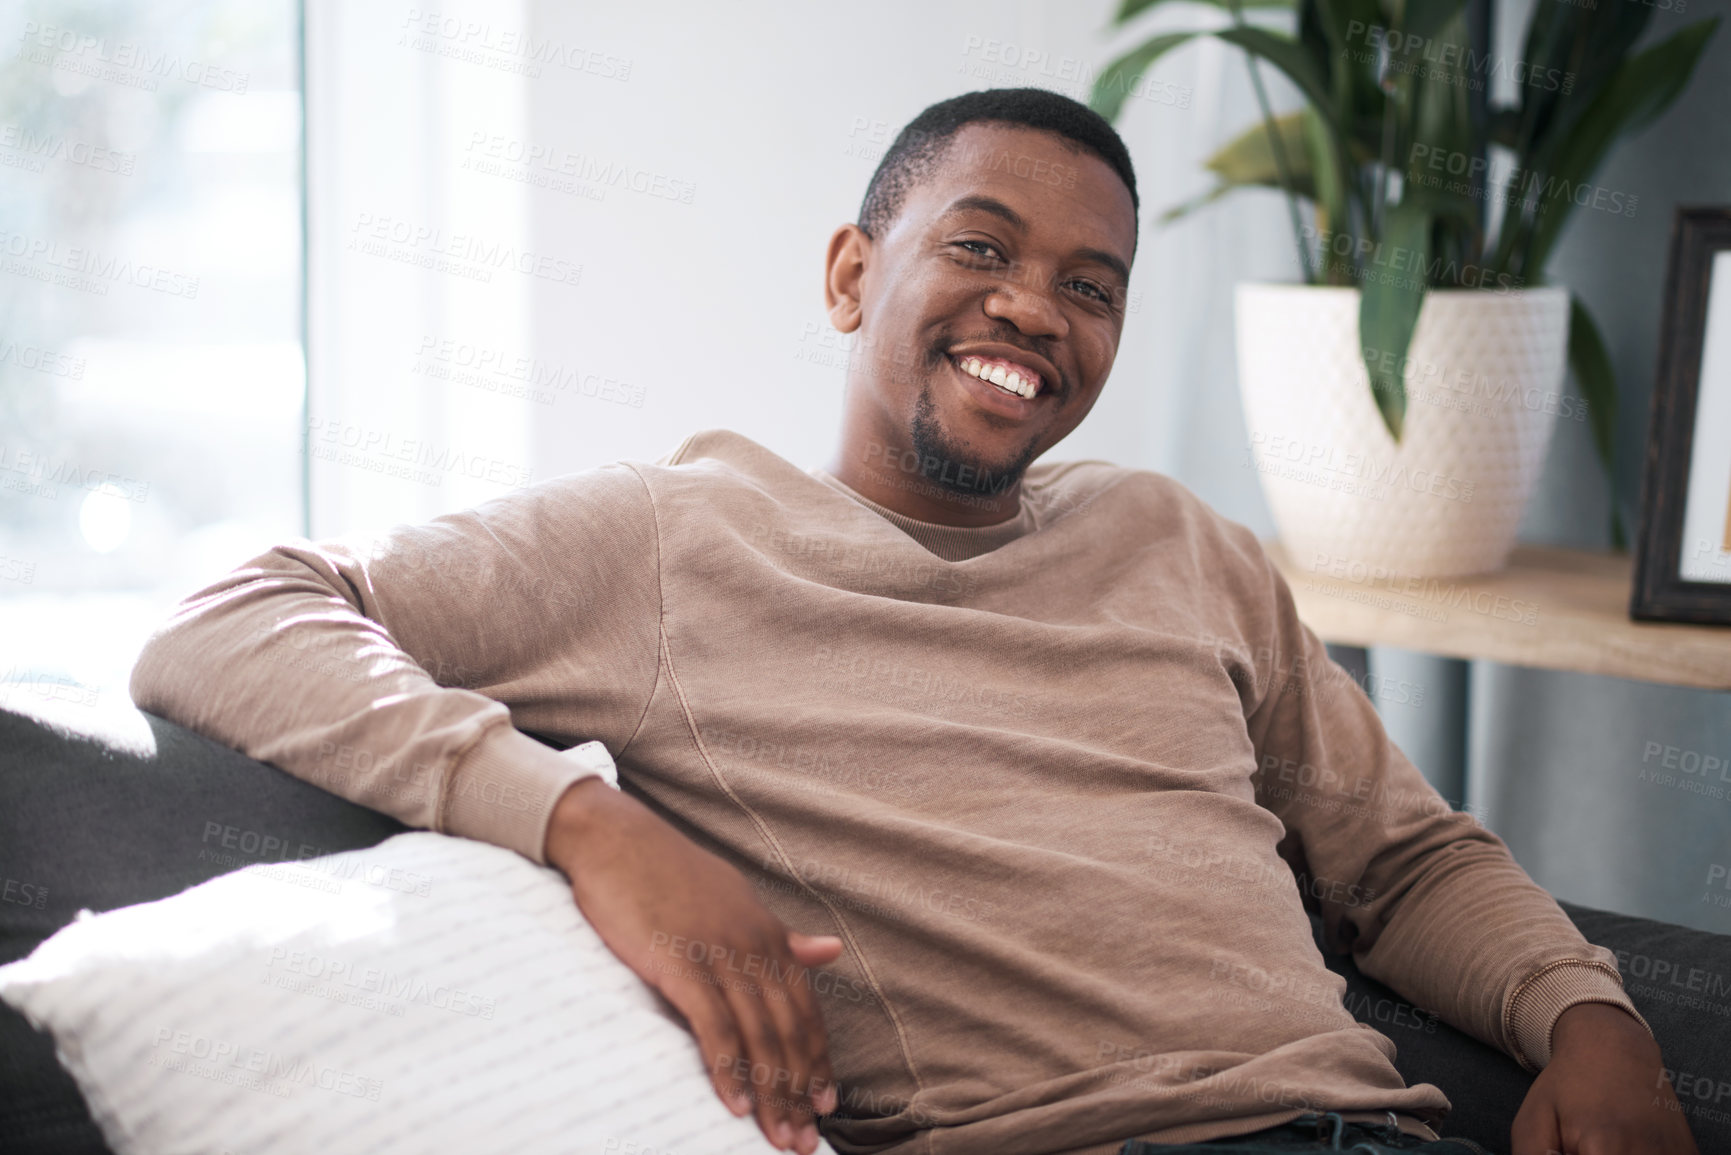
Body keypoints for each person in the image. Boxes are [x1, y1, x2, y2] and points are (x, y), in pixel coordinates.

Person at [129, 88, 1695, 1155]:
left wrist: (1591, 1023)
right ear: (849, 274)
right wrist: (587, 828)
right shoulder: (676, 536)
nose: (1035, 307)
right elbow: (231, 617)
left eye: (1092, 285)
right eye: (982, 247)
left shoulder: (1179, 542)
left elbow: (1403, 861)